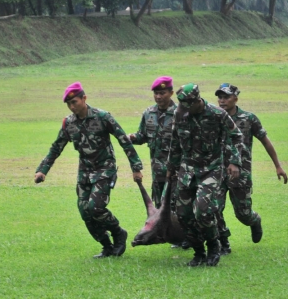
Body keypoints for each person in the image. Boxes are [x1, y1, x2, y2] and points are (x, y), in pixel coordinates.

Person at [34, 82, 144, 259]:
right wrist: (42, 170)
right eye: (68, 104)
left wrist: (136, 168)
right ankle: (107, 246)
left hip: (104, 169)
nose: (72, 107)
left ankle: (118, 232)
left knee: (95, 207)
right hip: (84, 172)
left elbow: (124, 140)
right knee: (84, 210)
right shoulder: (68, 123)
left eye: (75, 102)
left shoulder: (102, 117)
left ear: (84, 98)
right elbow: (56, 147)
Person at [167, 83, 244, 267]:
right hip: (187, 170)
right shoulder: (180, 113)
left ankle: (213, 246)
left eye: (187, 105)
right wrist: (171, 166)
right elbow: (175, 141)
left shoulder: (217, 114)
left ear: (197, 100)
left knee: (203, 211)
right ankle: (198, 252)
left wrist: (234, 161)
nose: (184, 109)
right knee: (183, 215)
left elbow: (236, 136)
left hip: (211, 169)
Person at [215, 83, 288, 255]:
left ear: (236, 99)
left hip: (241, 173)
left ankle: (254, 221)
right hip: (217, 171)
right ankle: (223, 242)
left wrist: (277, 165)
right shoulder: (214, 118)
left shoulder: (248, 118)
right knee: (213, 209)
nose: (222, 101)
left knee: (243, 214)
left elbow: (265, 140)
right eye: (220, 97)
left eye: (226, 97)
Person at [129, 76, 177, 209]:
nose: (158, 97)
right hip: (157, 173)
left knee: (175, 208)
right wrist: (132, 137)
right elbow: (143, 135)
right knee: (159, 208)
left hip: (176, 173)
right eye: (156, 93)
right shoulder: (149, 113)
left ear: (171, 93)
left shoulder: (179, 114)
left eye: (162, 93)